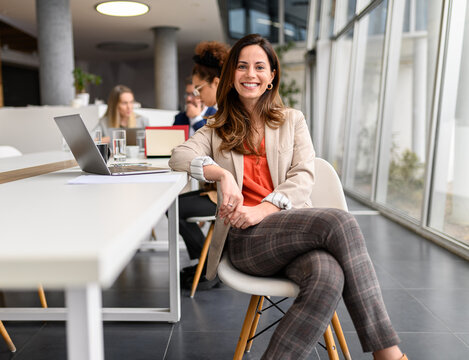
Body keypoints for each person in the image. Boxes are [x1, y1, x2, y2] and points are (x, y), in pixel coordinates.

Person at [169, 34, 408, 360]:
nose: (250, 74)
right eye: (241, 66)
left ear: (271, 77)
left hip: (288, 228)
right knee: (339, 222)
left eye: (259, 67)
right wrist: (222, 175)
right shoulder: (216, 127)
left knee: (327, 275)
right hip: (246, 240)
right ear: (231, 76)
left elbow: (303, 177)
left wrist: (263, 209)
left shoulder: (292, 120)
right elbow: (179, 156)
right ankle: (388, 354)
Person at [176, 41, 229, 290]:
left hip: (225, 195)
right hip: (217, 188)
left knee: (173, 206)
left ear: (216, 83)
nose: (196, 95)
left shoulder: (224, 116)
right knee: (173, 204)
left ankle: (209, 265)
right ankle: (207, 263)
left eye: (198, 88)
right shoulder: (219, 114)